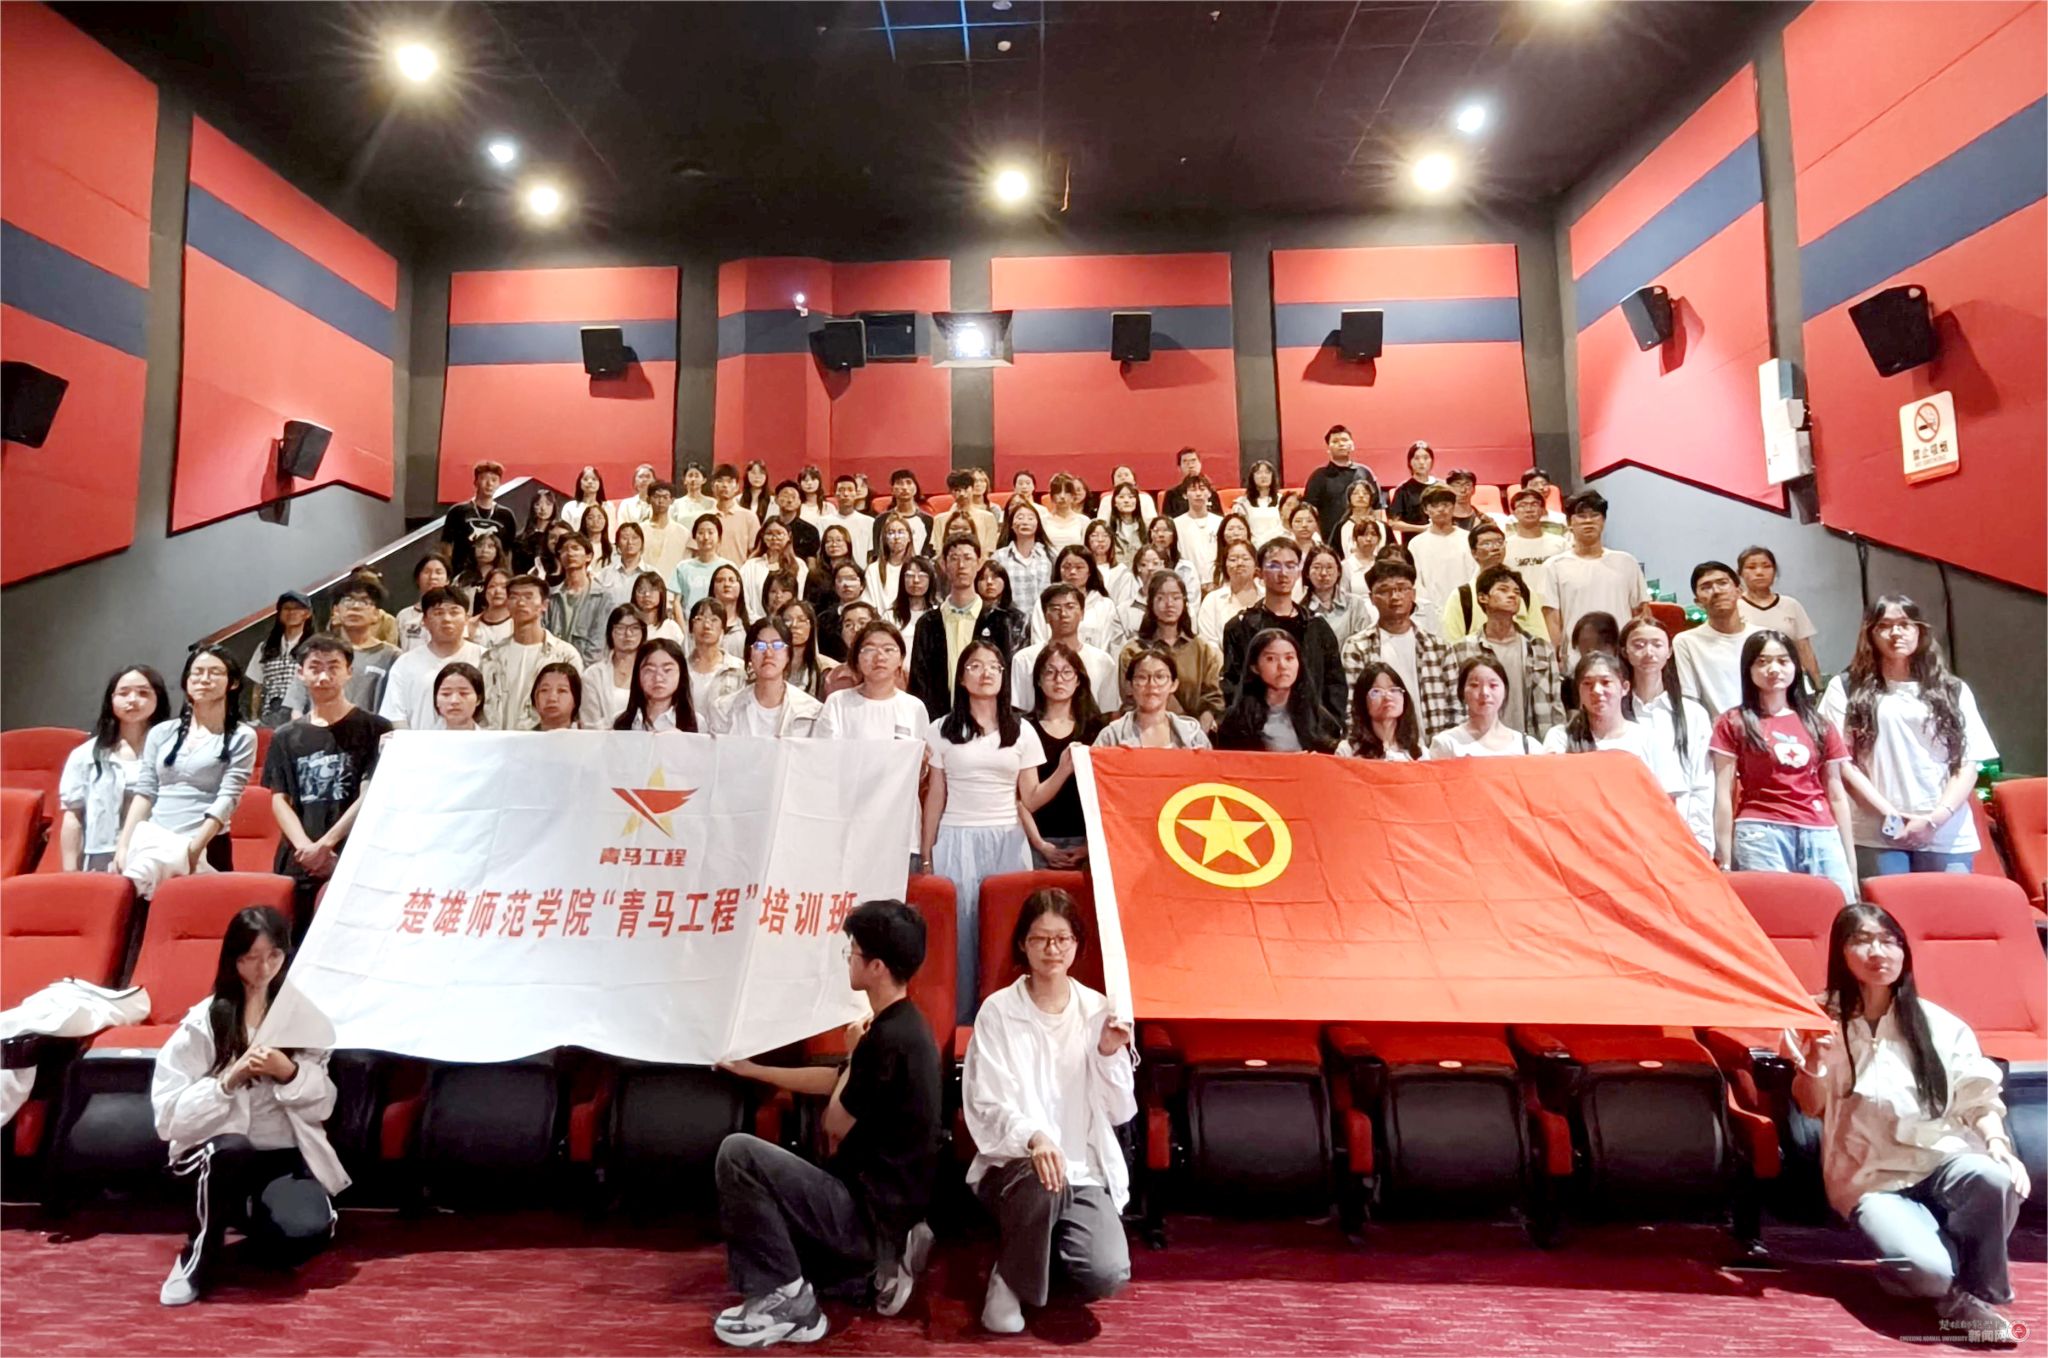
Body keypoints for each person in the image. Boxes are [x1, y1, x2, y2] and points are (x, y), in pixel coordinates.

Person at [1782, 903, 2027, 1345]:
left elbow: (1977, 1095)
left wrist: (1997, 1144)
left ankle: (1972, 1295)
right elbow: (1810, 1106)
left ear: (1904, 952)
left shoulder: (1940, 1024)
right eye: (1862, 941)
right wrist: (1815, 1061)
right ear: (1840, 952)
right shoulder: (1815, 1020)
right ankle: (1931, 1279)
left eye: (1889, 941)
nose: (1878, 952)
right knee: (1927, 1271)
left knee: (1992, 1176)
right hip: (1871, 1178)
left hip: (1940, 1159)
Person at [711, 899, 942, 1347]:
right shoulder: (907, 1025)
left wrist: (854, 1052)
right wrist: (754, 1070)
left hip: (867, 1212)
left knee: (737, 1154)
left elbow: (835, 1121)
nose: (848, 960)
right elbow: (834, 1081)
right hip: (887, 1209)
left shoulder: (884, 1039)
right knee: (778, 1238)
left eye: (852, 952)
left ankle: (790, 1303)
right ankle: (871, 1272)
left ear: (876, 966)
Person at [151, 905, 344, 1307]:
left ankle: (246, 1219)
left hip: (279, 1155)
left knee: (304, 1235)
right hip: (214, 1155)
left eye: (273, 956)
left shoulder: (305, 1018)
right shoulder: (204, 1021)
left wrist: (290, 1073)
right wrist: (227, 1082)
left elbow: (323, 1106)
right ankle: (198, 1254)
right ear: (233, 959)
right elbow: (169, 1120)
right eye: (250, 958)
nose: (263, 968)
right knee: (231, 1150)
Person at [963, 890, 1135, 1333]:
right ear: (1023, 943)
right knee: (1043, 1181)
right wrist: (1035, 1138)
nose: (1052, 949)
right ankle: (1007, 1281)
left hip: (1081, 1170)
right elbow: (986, 1103)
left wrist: (1108, 1054)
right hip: (1016, 1167)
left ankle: (1032, 1249)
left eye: (1062, 939)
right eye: (1040, 939)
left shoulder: (1098, 1010)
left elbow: (1120, 1111)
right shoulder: (998, 1011)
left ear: (1077, 943)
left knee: (1107, 1272)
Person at [1823, 595, 1998, 879]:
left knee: (1948, 908)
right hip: (1876, 833)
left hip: (1945, 832)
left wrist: (1934, 819)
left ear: (1920, 630)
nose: (1896, 633)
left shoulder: (1952, 689)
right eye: (1885, 625)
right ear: (1870, 633)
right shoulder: (1845, 687)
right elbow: (1842, 762)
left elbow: (1968, 763)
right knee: (1885, 907)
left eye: (1905, 624)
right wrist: (1890, 815)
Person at [922, 641, 1045, 1019]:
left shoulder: (1021, 730)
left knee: (1009, 932)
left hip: (1008, 839)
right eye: (975, 666)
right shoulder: (941, 728)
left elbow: (1031, 797)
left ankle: (1011, 1018)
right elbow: (935, 796)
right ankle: (961, 1021)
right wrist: (926, 855)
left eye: (994, 666)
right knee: (959, 935)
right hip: (956, 837)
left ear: (1004, 676)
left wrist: (1064, 770)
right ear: (961, 678)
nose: (986, 672)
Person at [1710, 631, 1858, 901]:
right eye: (1762, 661)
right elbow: (1723, 792)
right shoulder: (1733, 722)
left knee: (1839, 908)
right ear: (1748, 669)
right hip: (1760, 831)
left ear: (1795, 666)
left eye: (1782, 660)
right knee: (1776, 913)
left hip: (1820, 831)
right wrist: (1725, 857)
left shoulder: (1819, 724)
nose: (1773, 669)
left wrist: (1851, 864)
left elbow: (1837, 795)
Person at [264, 636, 390, 920]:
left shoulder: (376, 728)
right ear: (301, 673)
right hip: (298, 859)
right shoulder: (285, 735)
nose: (324, 677)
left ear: (349, 672)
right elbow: (279, 799)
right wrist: (306, 848)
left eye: (333, 667)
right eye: (315, 667)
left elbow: (370, 793)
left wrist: (326, 844)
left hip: (352, 854)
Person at [112, 647, 254, 895]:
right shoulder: (161, 733)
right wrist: (124, 846)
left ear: (233, 683)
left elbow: (228, 797)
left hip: (206, 843)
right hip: (155, 841)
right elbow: (145, 792)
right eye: (197, 672)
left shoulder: (242, 736)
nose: (204, 679)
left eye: (215, 672)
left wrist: (193, 850)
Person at [1220, 538, 1347, 722]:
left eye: (1290, 565)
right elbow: (1232, 684)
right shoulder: (1241, 627)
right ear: (1259, 572)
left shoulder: (1316, 626)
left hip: (1311, 727)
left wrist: (1329, 726)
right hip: (1257, 727)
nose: (1283, 573)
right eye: (1274, 565)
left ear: (1299, 572)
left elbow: (1334, 683)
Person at [60, 665, 170, 872]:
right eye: (123, 693)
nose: (133, 700)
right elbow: (73, 817)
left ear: (159, 699)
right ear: (111, 700)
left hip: (158, 856)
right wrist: (70, 872)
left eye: (143, 693)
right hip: (102, 858)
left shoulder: (172, 752)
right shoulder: (85, 755)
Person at [1621, 617, 1715, 854]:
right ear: (1624, 651)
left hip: (1680, 830)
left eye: (1657, 644)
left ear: (1669, 652)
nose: (1649, 652)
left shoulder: (1692, 714)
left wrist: (1702, 840)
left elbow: (1702, 782)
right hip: (1626, 831)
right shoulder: (1615, 712)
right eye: (1639, 645)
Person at [1340, 558, 1459, 740]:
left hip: (1433, 747)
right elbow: (1351, 708)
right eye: (1384, 591)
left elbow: (1456, 708)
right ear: (1371, 598)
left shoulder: (1439, 648)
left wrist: (1447, 749)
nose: (1395, 596)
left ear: (1413, 594)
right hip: (1380, 747)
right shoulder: (1357, 647)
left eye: (1402, 589)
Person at [1542, 653, 1681, 802]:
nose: (1596, 690)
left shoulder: (1650, 739)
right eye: (1587, 684)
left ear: (1624, 688)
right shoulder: (1560, 738)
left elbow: (1668, 801)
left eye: (1606, 682)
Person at [1018, 644, 1104, 869]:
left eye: (1067, 672)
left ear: (1078, 679)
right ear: (1038, 680)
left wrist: (1088, 846)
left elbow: (1106, 795)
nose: (1059, 680)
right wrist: (1040, 844)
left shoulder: (1097, 729)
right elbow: (1020, 799)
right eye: (1050, 672)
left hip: (1088, 843)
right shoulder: (1024, 728)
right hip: (1037, 841)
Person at [1447, 566, 1559, 738]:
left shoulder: (1540, 648)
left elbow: (1555, 704)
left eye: (1516, 592)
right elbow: (1455, 703)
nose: (1512, 595)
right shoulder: (1462, 650)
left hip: (1532, 742)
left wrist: (1558, 744)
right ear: (1483, 597)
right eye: (1503, 590)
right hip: (1481, 742)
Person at [1541, 490, 1649, 663]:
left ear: (1603, 521)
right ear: (1569, 523)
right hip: (1576, 658)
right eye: (1581, 516)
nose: (1588, 521)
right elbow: (1552, 619)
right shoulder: (1554, 566)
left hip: (1621, 656)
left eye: (1594, 515)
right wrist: (1556, 658)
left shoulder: (1627, 562)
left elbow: (1641, 611)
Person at [909, 535, 1008, 719]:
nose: (961, 565)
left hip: (987, 721)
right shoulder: (928, 623)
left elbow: (1004, 677)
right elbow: (919, 681)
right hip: (938, 721)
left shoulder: (998, 621)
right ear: (943, 564)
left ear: (979, 563)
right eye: (954, 558)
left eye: (968, 558)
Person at [284, 576, 399, 718]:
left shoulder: (392, 656)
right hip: (319, 729)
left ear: (376, 614)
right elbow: (297, 707)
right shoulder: (314, 650)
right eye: (348, 600)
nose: (355, 607)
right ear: (336, 611)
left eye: (364, 601)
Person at [478, 575, 582, 731]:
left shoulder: (564, 655)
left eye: (528, 597)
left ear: (544, 605)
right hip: (499, 740)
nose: (521, 603)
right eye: (514, 597)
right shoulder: (491, 657)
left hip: (546, 740)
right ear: (507, 604)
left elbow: (577, 707)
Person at [1216, 629, 1340, 754]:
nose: (1282, 666)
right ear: (1255, 667)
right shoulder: (1236, 721)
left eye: (1289, 658)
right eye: (1271, 659)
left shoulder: (1319, 717)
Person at [378, 587, 484, 730]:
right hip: (419, 742)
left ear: (467, 618)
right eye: (438, 613)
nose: (446, 619)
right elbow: (394, 715)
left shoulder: (485, 658)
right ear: (424, 621)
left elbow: (493, 713)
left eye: (454, 612)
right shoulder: (406, 663)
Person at [1009, 582, 1121, 717]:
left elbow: (1109, 712)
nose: (1063, 614)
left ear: (1082, 613)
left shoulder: (1103, 661)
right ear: (1045, 616)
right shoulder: (1024, 659)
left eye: (1070, 607)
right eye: (1055, 608)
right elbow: (1020, 711)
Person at [1671, 561, 1757, 717]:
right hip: (1714, 728)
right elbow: (1690, 700)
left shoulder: (1762, 637)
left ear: (1739, 591)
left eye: (1723, 583)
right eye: (1706, 587)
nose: (1716, 591)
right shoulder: (1686, 642)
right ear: (1697, 601)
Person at [711, 618, 823, 737]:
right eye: (760, 646)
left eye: (777, 645)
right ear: (749, 655)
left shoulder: (811, 712)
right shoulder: (724, 710)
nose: (768, 653)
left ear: (788, 655)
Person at [1441, 522, 1544, 643]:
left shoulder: (1524, 591)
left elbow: (1540, 638)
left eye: (1499, 542)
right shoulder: (1462, 596)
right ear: (1474, 553)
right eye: (1487, 543)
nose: (1495, 548)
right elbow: (1452, 644)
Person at [1736, 546, 1823, 688]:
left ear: (1775, 571)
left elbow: (1805, 650)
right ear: (1739, 573)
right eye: (1751, 567)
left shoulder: (1790, 605)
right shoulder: (1735, 608)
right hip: (1749, 683)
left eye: (1766, 566)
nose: (1759, 572)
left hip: (1790, 682)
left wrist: (1818, 686)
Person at [1428, 654, 1540, 758]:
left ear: (1505, 691)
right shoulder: (1446, 744)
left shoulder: (1528, 746)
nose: (1484, 693)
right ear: (1462, 692)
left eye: (1493, 685)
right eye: (1474, 685)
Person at [1303, 424, 1382, 548]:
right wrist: (1319, 542)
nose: (1341, 444)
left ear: (1352, 445)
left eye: (1344, 440)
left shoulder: (1365, 473)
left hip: (1365, 541)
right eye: (1335, 441)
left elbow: (1377, 508)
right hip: (1329, 543)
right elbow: (1310, 512)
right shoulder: (1318, 476)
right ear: (1328, 448)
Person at [439, 459, 520, 578]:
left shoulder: (506, 515)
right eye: (484, 479)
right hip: (461, 575)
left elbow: (508, 552)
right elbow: (446, 546)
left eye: (494, 480)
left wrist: (507, 576)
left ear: (499, 484)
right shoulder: (458, 511)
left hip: (494, 577)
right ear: (476, 482)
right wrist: (448, 574)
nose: (489, 484)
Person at [542, 533, 611, 666]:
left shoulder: (603, 597)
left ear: (588, 556)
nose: (570, 553)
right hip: (553, 668)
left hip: (587, 670)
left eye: (575, 548)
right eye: (564, 549)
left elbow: (598, 646)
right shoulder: (551, 597)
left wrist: (578, 672)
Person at [1406, 486, 1473, 622]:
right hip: (1430, 613)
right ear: (1426, 510)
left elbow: (1474, 574)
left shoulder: (1469, 539)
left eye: (1446, 504)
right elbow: (1416, 581)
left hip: (1466, 608)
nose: (1441, 509)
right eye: (1435, 505)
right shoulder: (1416, 544)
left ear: (1453, 507)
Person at [250, 592, 315, 725]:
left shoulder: (314, 647)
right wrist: (254, 717)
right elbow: (257, 686)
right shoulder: (265, 647)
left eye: (297, 608)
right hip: (270, 716)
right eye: (286, 608)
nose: (291, 613)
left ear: (307, 613)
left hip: (303, 716)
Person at [1339, 663, 1425, 760]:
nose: (1387, 697)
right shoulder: (1348, 751)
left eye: (1393, 690)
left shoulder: (1418, 753)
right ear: (1362, 700)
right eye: (1376, 691)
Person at [580, 606, 647, 730]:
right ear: (610, 632)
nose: (628, 634)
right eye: (620, 628)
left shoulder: (650, 673)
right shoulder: (593, 675)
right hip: (602, 739)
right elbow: (590, 722)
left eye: (634, 628)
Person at [684, 598, 748, 719]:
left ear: (723, 629)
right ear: (691, 628)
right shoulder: (680, 668)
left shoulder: (738, 669)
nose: (707, 625)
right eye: (700, 619)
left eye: (714, 619)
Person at [613, 638, 695, 732]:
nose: (658, 678)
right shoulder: (619, 722)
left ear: (681, 674)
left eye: (667, 670)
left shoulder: (696, 722)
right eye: (649, 670)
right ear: (638, 674)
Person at [994, 499, 1054, 622]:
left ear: (1038, 525)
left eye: (1030, 518)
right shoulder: (999, 557)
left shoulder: (1049, 555)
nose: (1025, 522)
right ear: (1011, 525)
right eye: (1020, 518)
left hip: (1043, 621)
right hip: (1009, 622)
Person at [1196, 539, 1262, 651]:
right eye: (1233, 559)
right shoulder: (1212, 600)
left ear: (1256, 564)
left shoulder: (1267, 596)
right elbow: (1208, 643)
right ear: (1225, 565)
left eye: (1245, 558)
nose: (1239, 563)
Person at [1301, 543, 1373, 646]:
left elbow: (1367, 642)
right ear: (1307, 573)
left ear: (1339, 571)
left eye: (1329, 567)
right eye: (1317, 567)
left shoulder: (1355, 604)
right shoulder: (1301, 610)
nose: (1323, 573)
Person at [743, 518, 810, 620]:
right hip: (757, 621)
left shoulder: (799, 564)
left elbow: (801, 595)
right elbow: (744, 599)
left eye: (779, 533)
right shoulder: (751, 566)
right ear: (762, 536)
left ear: (789, 536)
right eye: (769, 534)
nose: (774, 538)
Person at [390, 554, 449, 653]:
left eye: (439, 572)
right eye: (427, 572)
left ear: (448, 580)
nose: (432, 577)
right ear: (417, 578)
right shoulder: (404, 616)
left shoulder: (452, 616)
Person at [780, 600, 839, 699]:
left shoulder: (827, 668)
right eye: (787, 620)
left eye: (801, 620)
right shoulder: (770, 664)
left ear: (811, 625)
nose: (794, 625)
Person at [1169, 477, 1222, 587]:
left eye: (1202, 489)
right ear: (1185, 495)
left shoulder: (1220, 522)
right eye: (1193, 490)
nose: (1198, 494)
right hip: (1188, 583)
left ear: (1209, 493)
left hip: (1217, 582)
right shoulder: (1175, 524)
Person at [1503, 486, 1567, 576]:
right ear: (1514, 512)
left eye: (1534, 504)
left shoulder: (1561, 544)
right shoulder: (1504, 547)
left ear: (1542, 511)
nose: (1529, 510)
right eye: (1522, 505)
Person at [1385, 440, 1440, 541]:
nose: (1421, 462)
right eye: (1417, 458)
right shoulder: (1403, 490)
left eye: (1426, 458)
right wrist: (1423, 529)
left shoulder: (1441, 487)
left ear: (1432, 461)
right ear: (1410, 462)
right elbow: (1394, 523)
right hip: (1413, 541)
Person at [672, 514, 726, 613]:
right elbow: (676, 602)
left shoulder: (727, 567)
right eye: (701, 532)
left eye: (710, 532)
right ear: (694, 537)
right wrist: (682, 623)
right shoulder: (683, 567)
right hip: (689, 621)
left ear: (719, 537)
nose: (706, 537)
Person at [637, 482, 690, 583]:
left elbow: (686, 565)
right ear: (648, 499)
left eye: (665, 497)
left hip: (673, 585)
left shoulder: (683, 533)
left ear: (672, 500)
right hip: (644, 583)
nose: (660, 501)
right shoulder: (639, 530)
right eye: (656, 496)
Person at [818, 473, 875, 564]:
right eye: (841, 490)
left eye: (850, 490)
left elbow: (871, 554)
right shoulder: (823, 522)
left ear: (856, 493)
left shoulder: (869, 522)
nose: (845, 494)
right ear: (834, 494)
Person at [865, 512, 916, 610]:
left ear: (909, 537)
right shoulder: (873, 570)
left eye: (901, 532)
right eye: (891, 533)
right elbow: (869, 602)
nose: (896, 537)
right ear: (885, 539)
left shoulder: (917, 568)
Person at [710, 463, 760, 563]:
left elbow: (756, 551)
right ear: (712, 486)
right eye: (720, 481)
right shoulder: (704, 517)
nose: (725, 485)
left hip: (739, 571)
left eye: (729, 481)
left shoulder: (749, 517)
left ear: (737, 487)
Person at [626, 569, 685, 645]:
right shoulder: (627, 627)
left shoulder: (671, 628)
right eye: (641, 590)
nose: (647, 594)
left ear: (661, 593)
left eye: (652, 589)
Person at [766, 480, 822, 559]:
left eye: (793, 497)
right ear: (776, 499)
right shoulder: (768, 527)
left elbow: (811, 561)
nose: (790, 500)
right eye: (785, 496)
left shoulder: (810, 531)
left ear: (800, 502)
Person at [1038, 473, 1090, 553]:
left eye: (1067, 492)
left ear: (1073, 495)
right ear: (1052, 496)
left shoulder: (1083, 521)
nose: (1062, 496)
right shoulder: (1042, 520)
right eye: (1058, 492)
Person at [708, 563, 750, 657]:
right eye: (720, 580)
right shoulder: (702, 623)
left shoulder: (752, 623)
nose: (726, 584)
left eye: (732, 580)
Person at [468, 567, 515, 648]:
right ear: (485, 590)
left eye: (504, 587)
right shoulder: (470, 624)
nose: (497, 591)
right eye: (492, 586)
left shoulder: (519, 624)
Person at [432, 662, 485, 731]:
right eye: (446, 694)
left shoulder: (492, 737)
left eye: (463, 693)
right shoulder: (423, 737)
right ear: (436, 700)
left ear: (478, 699)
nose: (454, 701)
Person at [889, 555, 937, 633]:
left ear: (930, 580)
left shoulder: (938, 614)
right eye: (910, 575)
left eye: (922, 576)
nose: (916, 580)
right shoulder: (890, 616)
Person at [607, 521, 649, 604]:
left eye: (635, 538)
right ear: (617, 544)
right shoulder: (605, 575)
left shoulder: (651, 573)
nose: (630, 542)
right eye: (625, 538)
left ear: (642, 543)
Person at [531, 664, 582, 731]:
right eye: (544, 690)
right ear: (535, 698)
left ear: (575, 699)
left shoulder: (587, 736)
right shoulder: (523, 737)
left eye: (562, 690)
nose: (552, 698)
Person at [1158, 446, 1203, 519]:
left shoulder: (1210, 492)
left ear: (1200, 464)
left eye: (1193, 461)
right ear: (1179, 467)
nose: (1190, 465)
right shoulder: (1171, 495)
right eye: (1185, 462)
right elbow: (1167, 522)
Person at [609, 463, 657, 530]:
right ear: (635, 482)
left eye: (647, 476)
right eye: (640, 476)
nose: (644, 480)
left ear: (654, 481)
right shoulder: (626, 504)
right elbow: (622, 528)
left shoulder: (660, 503)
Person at [739, 459, 774, 526]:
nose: (757, 476)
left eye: (761, 473)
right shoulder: (737, 500)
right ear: (747, 474)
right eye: (753, 473)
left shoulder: (773, 502)